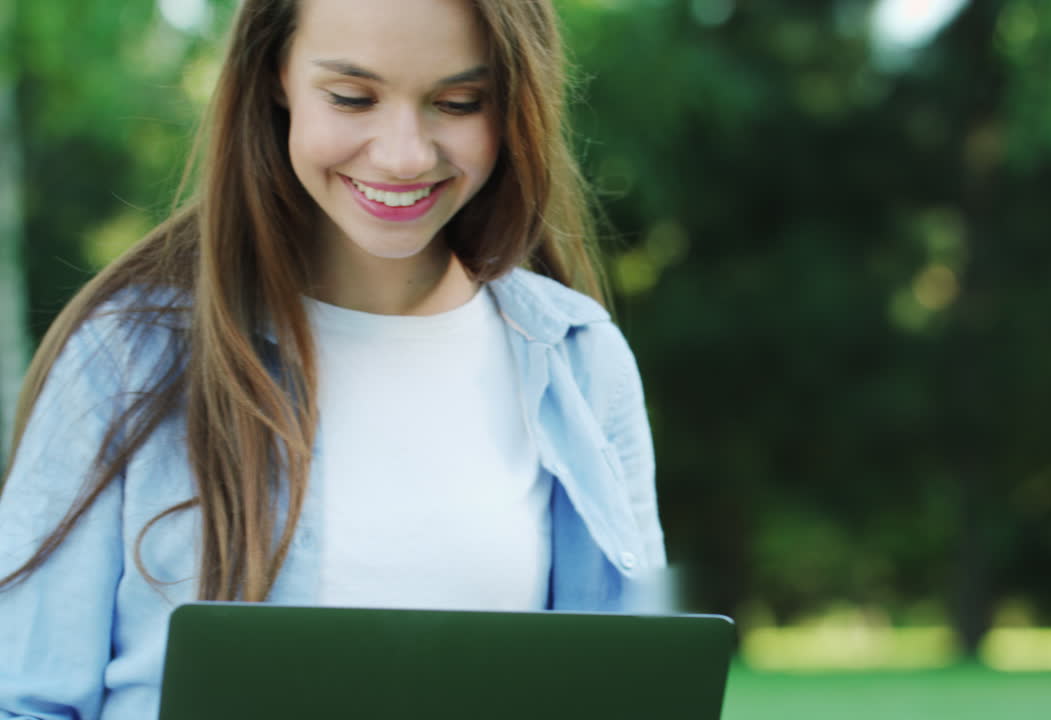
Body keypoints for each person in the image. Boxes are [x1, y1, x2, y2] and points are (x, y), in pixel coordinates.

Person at [0, 0, 666, 718]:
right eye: (352, 97)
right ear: (275, 76)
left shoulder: (578, 356)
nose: (405, 153)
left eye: (460, 102)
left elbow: (636, 684)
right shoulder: (126, 355)